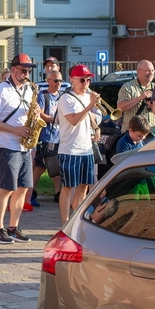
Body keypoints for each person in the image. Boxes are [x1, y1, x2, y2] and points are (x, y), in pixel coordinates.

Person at [0, 54, 38, 244]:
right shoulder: (1, 90)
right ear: (13, 70)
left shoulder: (29, 89)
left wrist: (36, 113)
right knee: (6, 188)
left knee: (23, 188)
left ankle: (13, 227)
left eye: (29, 70)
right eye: (23, 70)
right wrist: (14, 129)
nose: (27, 73)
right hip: (7, 144)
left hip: (24, 145)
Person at [57, 64, 100, 224]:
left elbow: (92, 118)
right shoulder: (65, 98)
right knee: (68, 187)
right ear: (72, 80)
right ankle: (64, 223)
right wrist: (90, 106)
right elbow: (74, 120)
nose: (86, 84)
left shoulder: (87, 97)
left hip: (86, 149)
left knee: (83, 186)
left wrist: (96, 127)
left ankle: (76, 221)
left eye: (88, 80)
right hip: (70, 150)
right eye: (82, 80)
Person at [26, 69, 63, 208]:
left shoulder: (61, 96)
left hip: (59, 137)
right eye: (55, 80)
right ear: (48, 81)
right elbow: (40, 114)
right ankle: (32, 192)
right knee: (41, 167)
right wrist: (56, 119)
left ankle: (58, 193)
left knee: (56, 168)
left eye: (60, 80)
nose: (58, 83)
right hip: (47, 136)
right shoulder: (43, 95)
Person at [116, 60, 155, 135]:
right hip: (133, 135)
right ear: (138, 71)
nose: (151, 73)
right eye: (147, 71)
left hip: (153, 133)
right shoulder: (128, 87)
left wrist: (153, 107)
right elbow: (120, 107)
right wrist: (139, 98)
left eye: (152, 70)